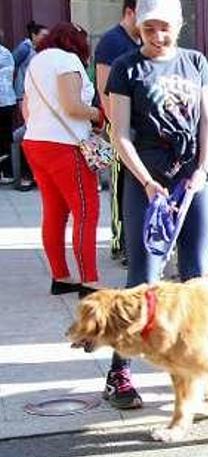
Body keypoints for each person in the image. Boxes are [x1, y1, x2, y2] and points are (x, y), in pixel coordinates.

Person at [106, 0, 208, 410]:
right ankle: (120, 371)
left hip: (192, 179)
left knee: (195, 277)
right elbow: (120, 134)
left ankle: (195, 370)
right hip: (147, 181)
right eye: (149, 29)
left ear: (178, 25)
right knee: (144, 277)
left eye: (164, 29)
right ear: (138, 25)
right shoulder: (126, 67)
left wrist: (204, 169)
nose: (156, 37)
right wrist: (148, 182)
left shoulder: (195, 62)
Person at [21, 23, 103, 296]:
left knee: (54, 213)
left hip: (36, 142)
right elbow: (72, 106)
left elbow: (26, 109)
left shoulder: (36, 62)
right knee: (86, 211)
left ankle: (61, 276)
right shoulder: (67, 60)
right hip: (65, 146)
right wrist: (100, 115)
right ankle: (89, 281)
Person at [94, 0, 140, 265]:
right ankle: (119, 242)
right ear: (129, 12)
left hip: (138, 125)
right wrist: (118, 127)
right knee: (121, 184)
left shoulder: (139, 40)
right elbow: (104, 89)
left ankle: (133, 240)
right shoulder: (112, 41)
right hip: (121, 126)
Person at [11, 22, 49, 192]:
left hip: (33, 93)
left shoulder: (38, 50)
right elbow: (11, 64)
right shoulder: (25, 48)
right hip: (23, 93)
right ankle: (27, 175)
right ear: (34, 35)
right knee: (28, 129)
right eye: (43, 35)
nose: (45, 38)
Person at [0, 41, 15, 184]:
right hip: (5, 101)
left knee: (5, 138)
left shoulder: (3, 53)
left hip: (4, 102)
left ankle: (7, 172)